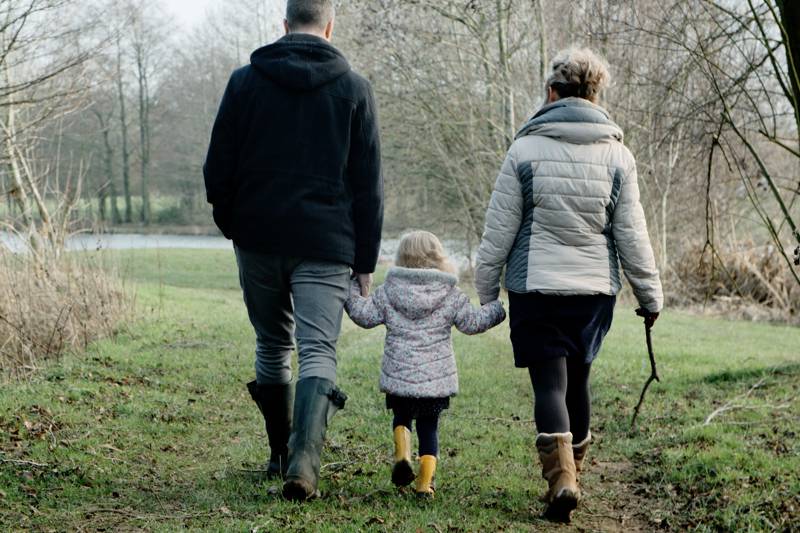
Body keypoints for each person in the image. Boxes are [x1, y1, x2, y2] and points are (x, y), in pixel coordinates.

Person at [202, 0, 383, 502]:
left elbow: (217, 169)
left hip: (258, 237)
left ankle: (280, 452)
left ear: (284, 26)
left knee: (271, 344)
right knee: (318, 349)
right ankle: (304, 465)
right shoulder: (355, 90)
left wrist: (236, 225)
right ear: (329, 26)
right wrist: (364, 260)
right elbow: (369, 187)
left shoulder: (245, 83)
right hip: (327, 244)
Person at [474, 47, 663, 522]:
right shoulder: (619, 156)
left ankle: (561, 481)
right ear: (595, 96)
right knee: (578, 380)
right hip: (594, 291)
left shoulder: (525, 149)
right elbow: (632, 233)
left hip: (535, 288)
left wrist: (485, 287)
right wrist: (649, 294)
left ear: (553, 93)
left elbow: (500, 229)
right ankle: (572, 474)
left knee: (549, 386)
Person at [345, 231, 506, 498]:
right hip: (435, 379)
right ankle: (424, 484)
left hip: (399, 376)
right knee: (429, 427)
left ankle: (402, 455)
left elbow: (363, 315)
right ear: (438, 256)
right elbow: (472, 323)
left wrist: (351, 286)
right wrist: (496, 309)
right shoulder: (450, 293)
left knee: (402, 417)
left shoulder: (389, 291)